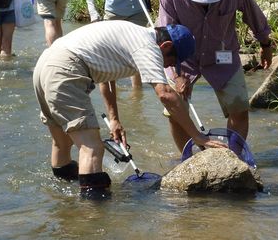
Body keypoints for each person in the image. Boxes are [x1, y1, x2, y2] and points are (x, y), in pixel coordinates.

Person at [33, 20, 227, 199]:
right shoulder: (148, 46)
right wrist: (198, 137)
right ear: (166, 46)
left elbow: (107, 76)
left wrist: (114, 118)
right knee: (92, 148)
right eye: (170, 60)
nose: (168, 66)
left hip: (45, 65)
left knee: (61, 142)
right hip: (66, 67)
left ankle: (61, 200)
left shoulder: (131, 34)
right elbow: (166, 94)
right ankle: (91, 218)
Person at [157, 0, 273, 150]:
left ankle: (233, 157)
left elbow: (253, 14)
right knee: (175, 112)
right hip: (182, 57)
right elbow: (163, 39)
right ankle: (188, 161)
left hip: (223, 53)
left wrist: (266, 45)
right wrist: (177, 76)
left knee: (239, 108)